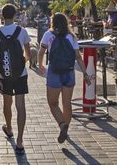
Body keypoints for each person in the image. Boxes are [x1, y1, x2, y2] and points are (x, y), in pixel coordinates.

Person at [37, 13, 91, 143]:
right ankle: (66, 129)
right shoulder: (71, 36)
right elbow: (78, 57)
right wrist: (85, 74)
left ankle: (62, 125)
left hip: (54, 72)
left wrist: (40, 64)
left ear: (52, 22)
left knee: (53, 103)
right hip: (69, 72)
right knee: (67, 104)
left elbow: (41, 52)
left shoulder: (48, 35)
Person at [0, 4, 31, 155]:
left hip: (4, 75)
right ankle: (20, 140)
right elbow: (28, 54)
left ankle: (9, 128)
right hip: (20, 74)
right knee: (21, 106)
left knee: (7, 103)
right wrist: (21, 63)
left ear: (2, 15)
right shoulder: (22, 31)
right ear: (14, 15)